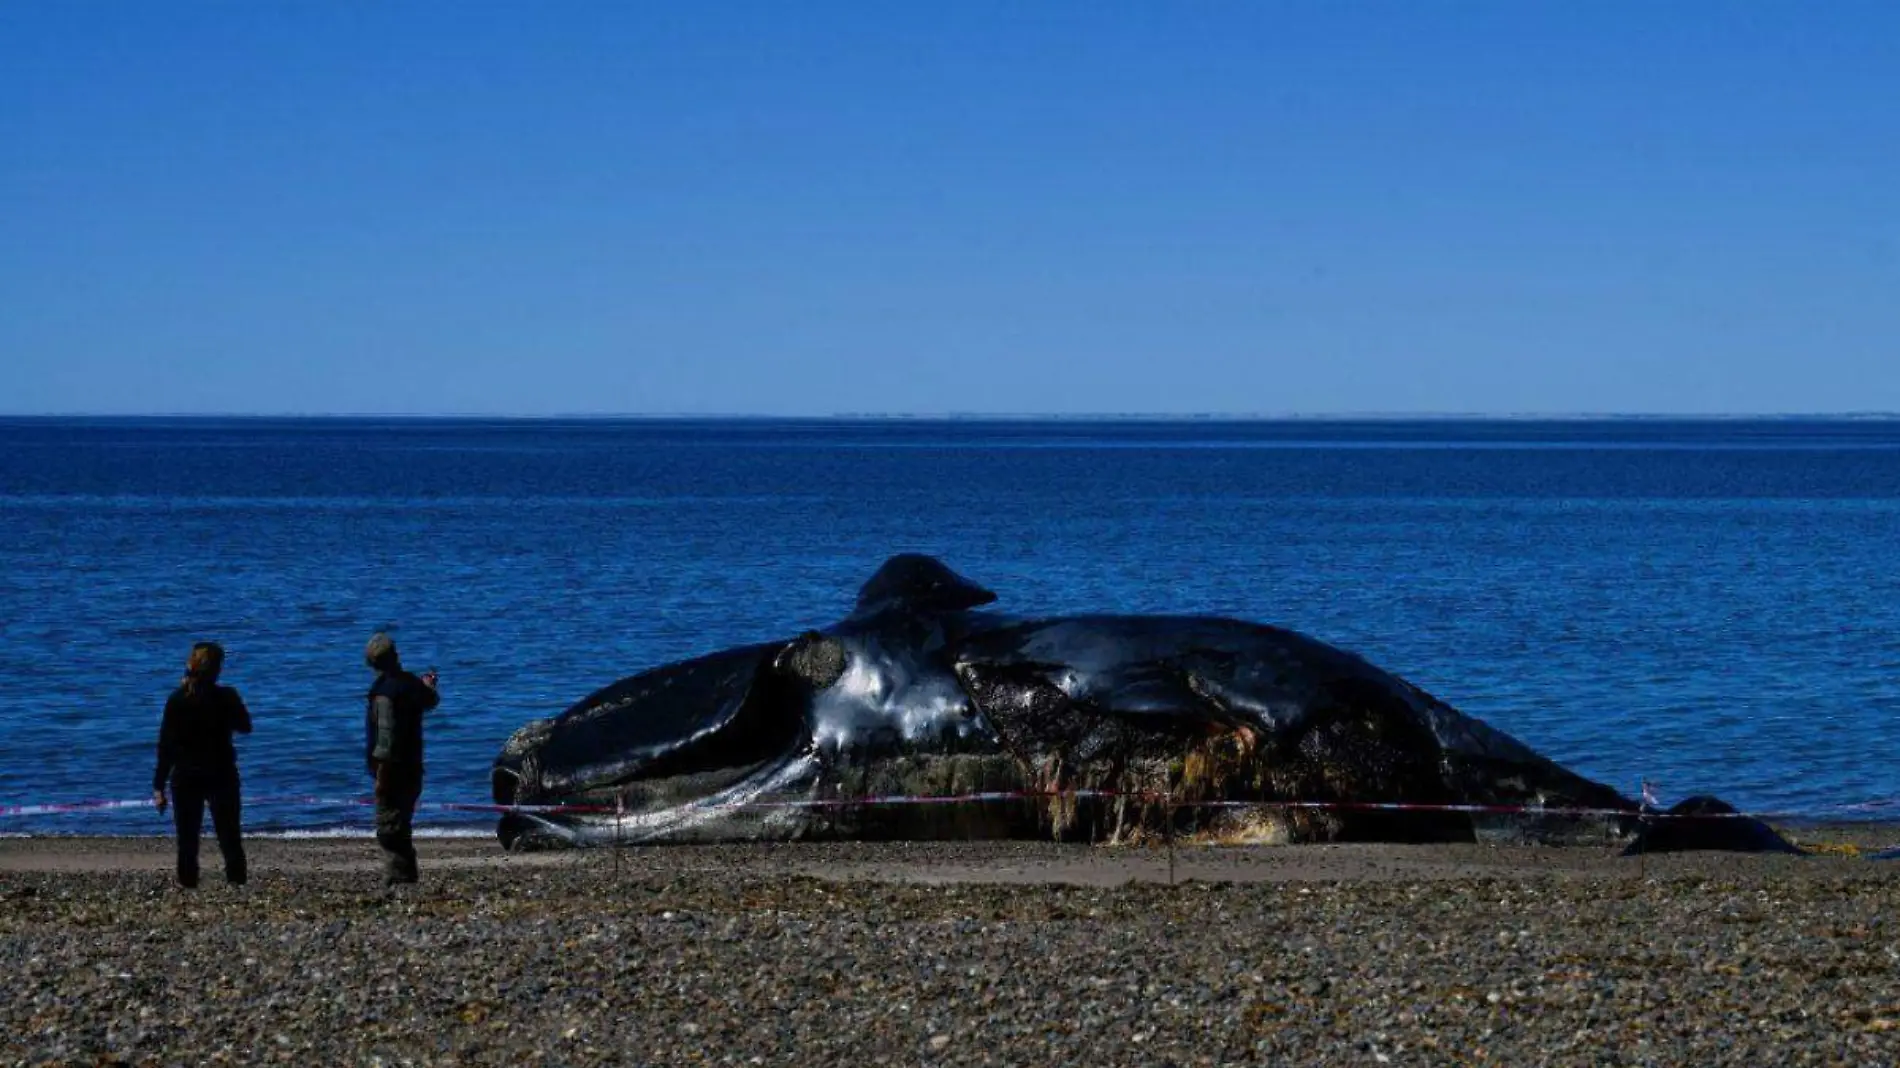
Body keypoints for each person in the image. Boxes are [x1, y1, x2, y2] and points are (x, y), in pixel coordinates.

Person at [152, 641, 251, 888]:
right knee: (229, 837)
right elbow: (245, 726)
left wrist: (158, 787)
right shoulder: (226, 697)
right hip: (221, 773)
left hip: (186, 775)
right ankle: (236, 885)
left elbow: (165, 746)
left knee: (187, 840)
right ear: (216, 668)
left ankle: (188, 886)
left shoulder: (177, 700)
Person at [363, 632, 439, 886]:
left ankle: (400, 879)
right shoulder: (410, 684)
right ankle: (404, 877)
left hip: (393, 770)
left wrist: (381, 777)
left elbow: (385, 741)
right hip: (413, 767)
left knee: (389, 827)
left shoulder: (384, 694)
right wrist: (428, 684)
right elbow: (430, 700)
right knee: (401, 823)